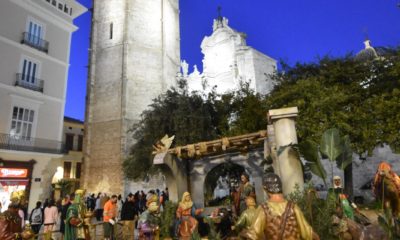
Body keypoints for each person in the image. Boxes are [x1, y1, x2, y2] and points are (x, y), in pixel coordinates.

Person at [245, 173, 319, 240]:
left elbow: (253, 234)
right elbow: (308, 233)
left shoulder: (263, 209)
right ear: (280, 186)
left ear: (265, 188)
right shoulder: (293, 207)